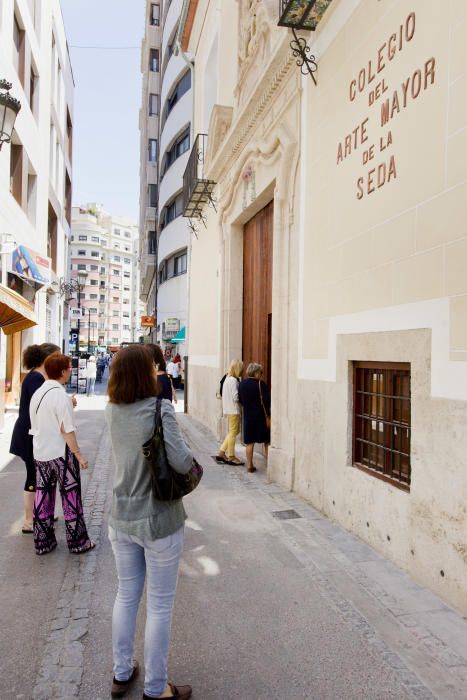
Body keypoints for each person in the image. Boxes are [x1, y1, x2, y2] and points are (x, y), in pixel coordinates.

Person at [105, 345, 192, 700]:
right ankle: (157, 689)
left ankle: (122, 672)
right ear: (146, 373)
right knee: (159, 605)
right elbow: (183, 462)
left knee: (126, 596)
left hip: (121, 517)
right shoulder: (160, 408)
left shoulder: (111, 410)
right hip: (159, 520)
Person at [29, 352, 94, 555]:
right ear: (63, 371)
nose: (70, 370)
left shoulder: (38, 393)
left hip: (40, 451)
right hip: (60, 452)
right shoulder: (60, 396)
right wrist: (79, 455)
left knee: (43, 495)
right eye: (69, 367)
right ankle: (78, 542)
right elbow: (67, 430)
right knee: (71, 496)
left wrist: (68, 403)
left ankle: (43, 542)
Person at [10, 343, 61, 533]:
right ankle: (28, 520)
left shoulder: (38, 377)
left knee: (42, 475)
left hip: (34, 433)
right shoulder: (35, 379)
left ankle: (43, 511)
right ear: (48, 359)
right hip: (28, 435)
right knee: (33, 475)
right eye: (58, 357)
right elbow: (42, 408)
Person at [238, 362, 271, 473]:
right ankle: (270, 465)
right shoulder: (261, 385)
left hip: (248, 417)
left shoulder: (242, 384)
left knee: (250, 442)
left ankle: (249, 465)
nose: (261, 374)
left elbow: (240, 400)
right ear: (256, 373)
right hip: (261, 417)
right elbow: (267, 401)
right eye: (261, 372)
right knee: (267, 441)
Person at [215, 359, 244, 466]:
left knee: (234, 432)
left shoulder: (227, 378)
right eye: (241, 369)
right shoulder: (233, 380)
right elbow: (235, 397)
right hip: (234, 410)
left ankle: (222, 452)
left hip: (228, 409)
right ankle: (231, 456)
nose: (242, 371)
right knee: (233, 432)